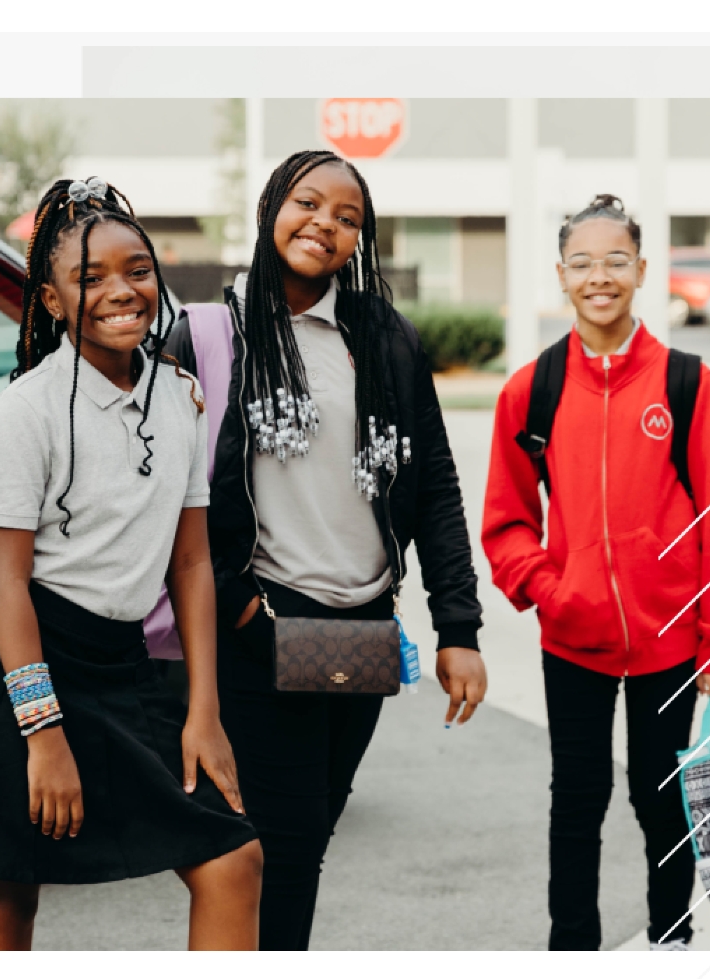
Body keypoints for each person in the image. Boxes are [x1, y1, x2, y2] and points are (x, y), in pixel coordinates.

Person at [0, 177, 263, 951]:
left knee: (233, 859)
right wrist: (44, 733)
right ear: (52, 300)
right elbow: (4, 580)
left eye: (136, 268)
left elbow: (193, 564)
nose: (119, 291)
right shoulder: (25, 409)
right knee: (8, 889)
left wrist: (205, 710)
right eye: (90, 277)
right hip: (24, 657)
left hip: (123, 659)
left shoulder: (180, 396)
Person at [161, 149, 487, 950]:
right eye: (309, 203)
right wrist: (236, 604)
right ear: (274, 204)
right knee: (280, 843)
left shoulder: (383, 337)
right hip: (260, 621)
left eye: (348, 217)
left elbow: (435, 485)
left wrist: (459, 627)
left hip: (363, 630)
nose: (326, 225)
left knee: (308, 835)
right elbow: (168, 488)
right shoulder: (215, 330)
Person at [481, 195, 710, 951]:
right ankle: (572, 948)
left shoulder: (686, 384)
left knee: (662, 800)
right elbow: (505, 520)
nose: (598, 276)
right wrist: (549, 589)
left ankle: (672, 939)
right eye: (581, 262)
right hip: (573, 640)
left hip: (672, 640)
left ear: (640, 269)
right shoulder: (529, 390)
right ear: (561, 276)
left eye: (614, 260)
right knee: (577, 799)